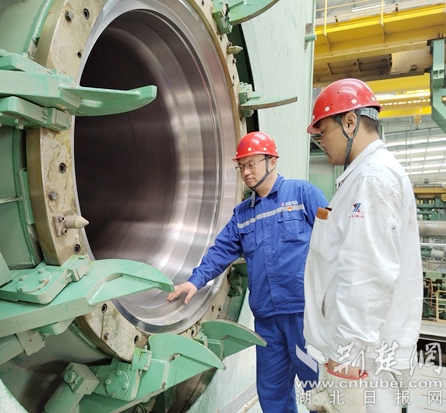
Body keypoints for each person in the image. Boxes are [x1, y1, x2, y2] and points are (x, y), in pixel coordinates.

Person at [167, 131, 329, 413]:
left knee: (316, 386)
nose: (246, 172)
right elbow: (220, 251)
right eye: (241, 166)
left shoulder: (302, 194)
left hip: (303, 315)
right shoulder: (243, 214)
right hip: (267, 320)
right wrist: (195, 282)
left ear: (272, 161)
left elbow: (334, 242)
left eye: (252, 164)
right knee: (272, 391)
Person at [303, 78, 423, 413]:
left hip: (363, 362)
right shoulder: (362, 178)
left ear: (349, 122)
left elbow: (366, 277)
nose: (320, 142)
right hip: (358, 355)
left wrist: (345, 359)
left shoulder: (372, 180)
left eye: (323, 131)